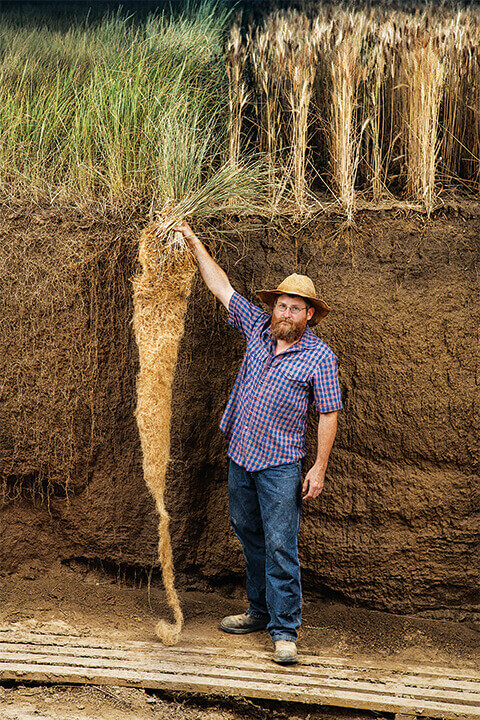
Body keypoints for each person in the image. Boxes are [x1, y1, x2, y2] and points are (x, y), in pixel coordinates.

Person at [173, 222, 343, 665]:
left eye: (295, 308)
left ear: (310, 315)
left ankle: (285, 631)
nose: (285, 313)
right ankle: (258, 610)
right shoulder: (256, 328)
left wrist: (319, 467)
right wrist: (193, 243)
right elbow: (221, 285)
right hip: (241, 459)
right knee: (249, 535)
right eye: (281, 305)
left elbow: (328, 413)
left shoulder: (320, 358)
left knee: (281, 543)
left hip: (281, 467)